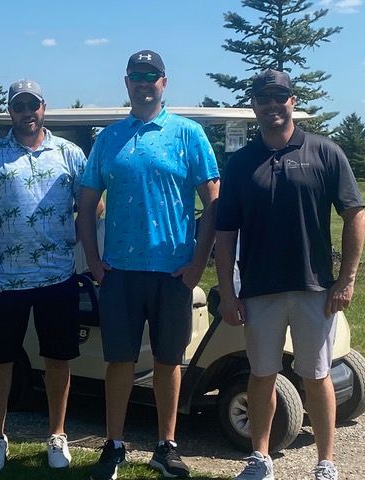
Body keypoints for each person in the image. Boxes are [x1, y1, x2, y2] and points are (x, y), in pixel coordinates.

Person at [215, 69, 365, 480]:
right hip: (259, 289)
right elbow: (225, 233)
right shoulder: (240, 163)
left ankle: (325, 461)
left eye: (279, 97)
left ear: (292, 101)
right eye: (263, 98)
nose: (272, 105)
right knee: (261, 374)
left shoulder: (324, 152)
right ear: (253, 105)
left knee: (316, 376)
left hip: (313, 287)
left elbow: (355, 213)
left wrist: (347, 279)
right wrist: (227, 291)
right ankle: (260, 457)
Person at [78, 50, 220, 480]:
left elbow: (214, 204)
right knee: (119, 362)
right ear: (127, 83)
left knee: (168, 361)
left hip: (173, 272)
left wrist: (198, 262)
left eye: (151, 75)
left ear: (164, 82)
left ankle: (165, 446)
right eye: (136, 75)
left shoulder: (188, 134)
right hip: (119, 272)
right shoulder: (109, 139)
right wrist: (94, 261)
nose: (144, 82)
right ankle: (114, 445)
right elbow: (86, 204)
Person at [0, 79, 94, 474]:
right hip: (4, 280)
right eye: (18, 106)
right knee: (2, 359)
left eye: (32, 105)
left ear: (43, 107)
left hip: (58, 277)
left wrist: (77, 244)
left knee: (57, 359)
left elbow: (92, 207)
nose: (26, 113)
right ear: (11, 111)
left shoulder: (69, 153)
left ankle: (57, 434)